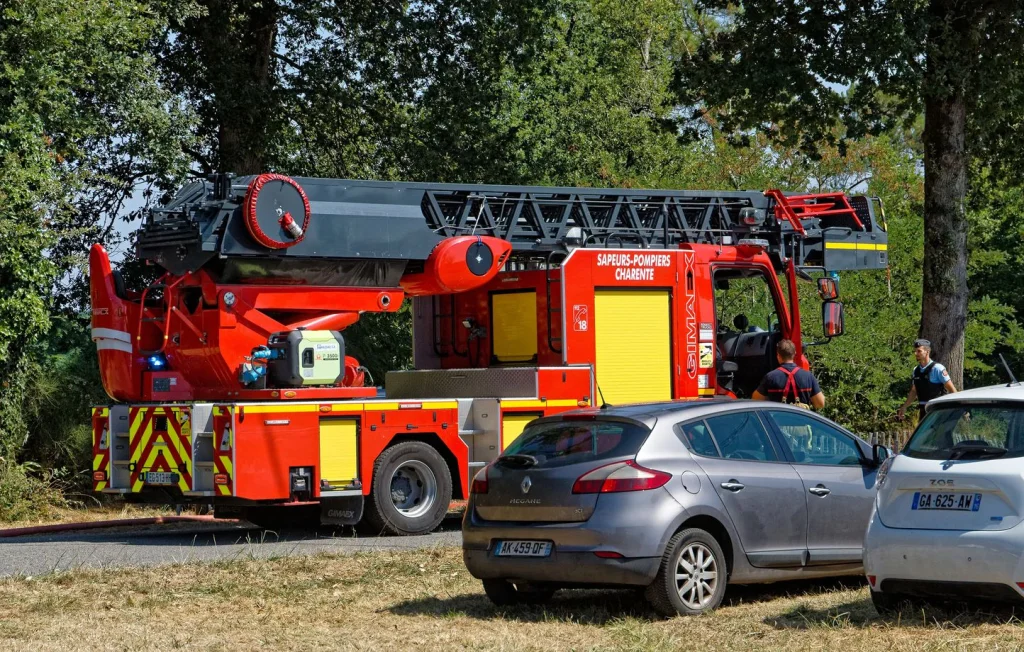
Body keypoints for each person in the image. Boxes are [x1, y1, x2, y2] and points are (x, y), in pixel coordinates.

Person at [752, 339, 825, 409]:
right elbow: (820, 404)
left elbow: (756, 400)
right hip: (802, 420)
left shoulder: (770, 377)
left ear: (778, 355)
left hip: (778, 420)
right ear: (794, 354)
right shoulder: (808, 376)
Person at [897, 339, 958, 421]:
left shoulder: (938, 369)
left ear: (927, 351)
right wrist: (904, 407)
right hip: (924, 413)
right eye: (915, 351)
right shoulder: (916, 370)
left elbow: (952, 389)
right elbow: (914, 391)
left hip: (938, 412)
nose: (916, 353)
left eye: (919, 351)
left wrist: (959, 408)